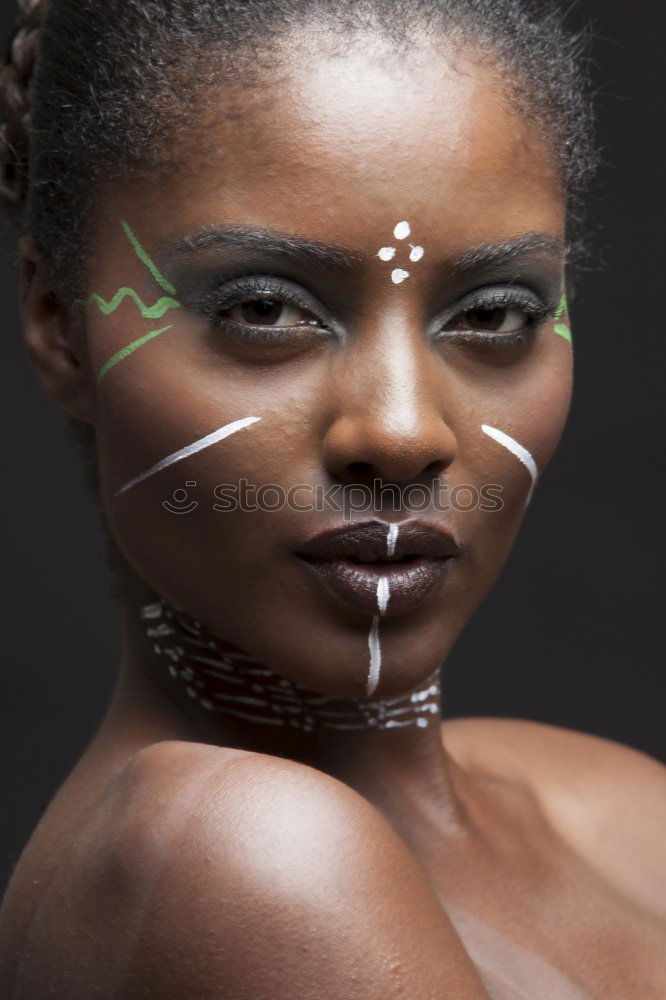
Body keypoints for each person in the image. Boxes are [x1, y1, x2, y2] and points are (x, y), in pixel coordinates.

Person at [0, 0, 664, 996]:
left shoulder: (622, 807)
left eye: (494, 312)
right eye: (264, 308)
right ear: (60, 327)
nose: (401, 431)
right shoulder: (238, 856)